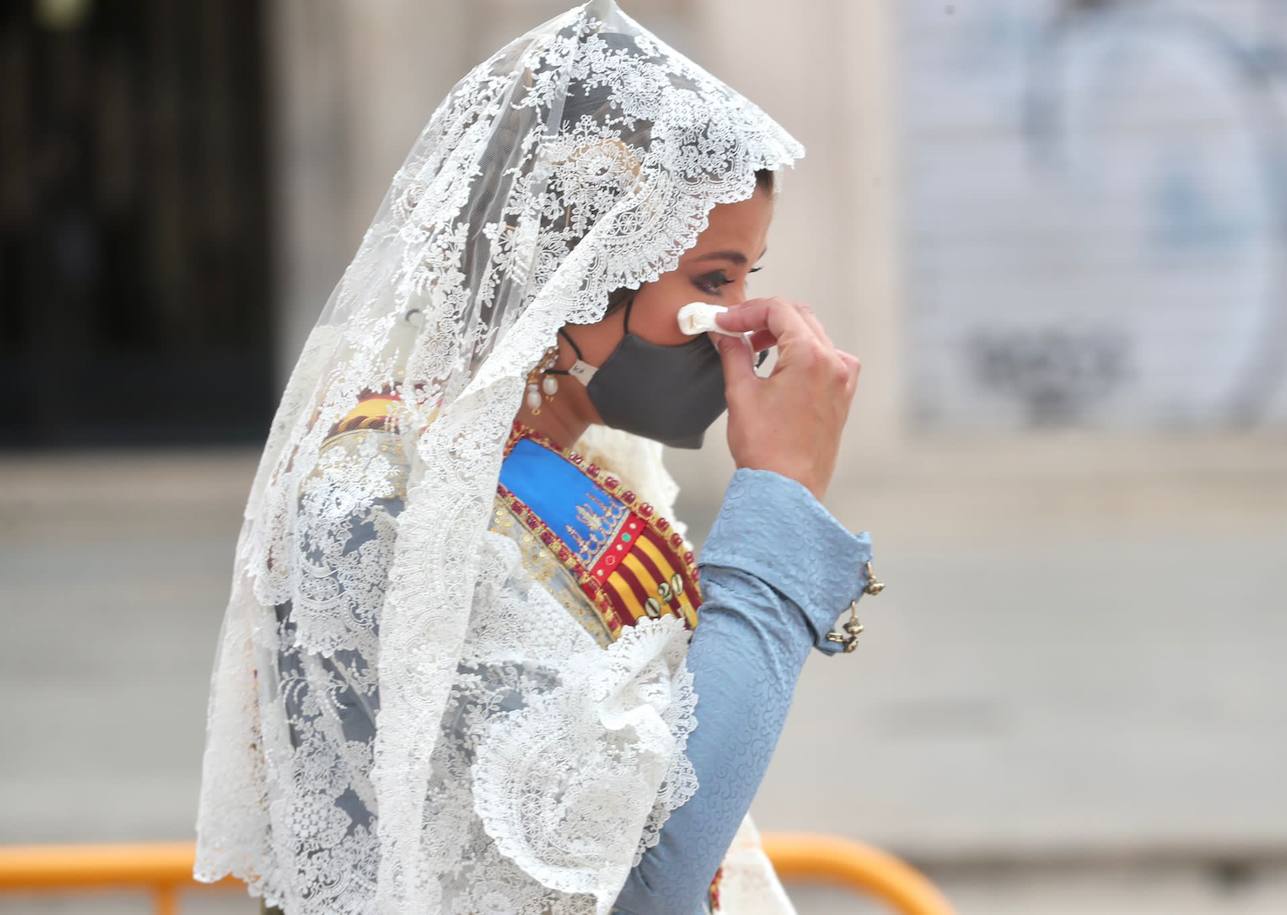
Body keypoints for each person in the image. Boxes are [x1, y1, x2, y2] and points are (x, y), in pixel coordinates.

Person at [193, 2, 882, 914]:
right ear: (580, 266)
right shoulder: (382, 496)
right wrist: (780, 503)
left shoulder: (564, 457)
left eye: (748, 276)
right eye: (713, 281)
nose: (739, 324)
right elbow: (641, 876)